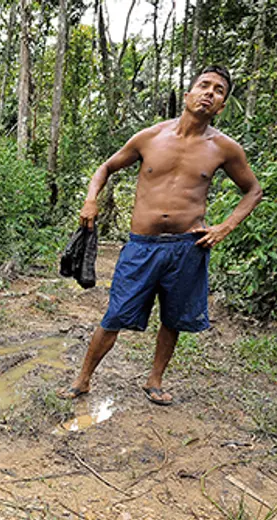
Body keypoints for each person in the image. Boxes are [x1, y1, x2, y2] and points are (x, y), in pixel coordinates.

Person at [60, 65, 262, 406]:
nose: (209, 93)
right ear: (188, 95)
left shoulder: (224, 149)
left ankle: (154, 380)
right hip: (142, 246)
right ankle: (83, 379)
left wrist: (224, 227)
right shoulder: (150, 137)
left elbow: (253, 190)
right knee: (115, 315)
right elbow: (106, 168)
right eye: (204, 85)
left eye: (218, 91)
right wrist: (90, 199)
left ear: (221, 106)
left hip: (188, 247)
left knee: (174, 318)